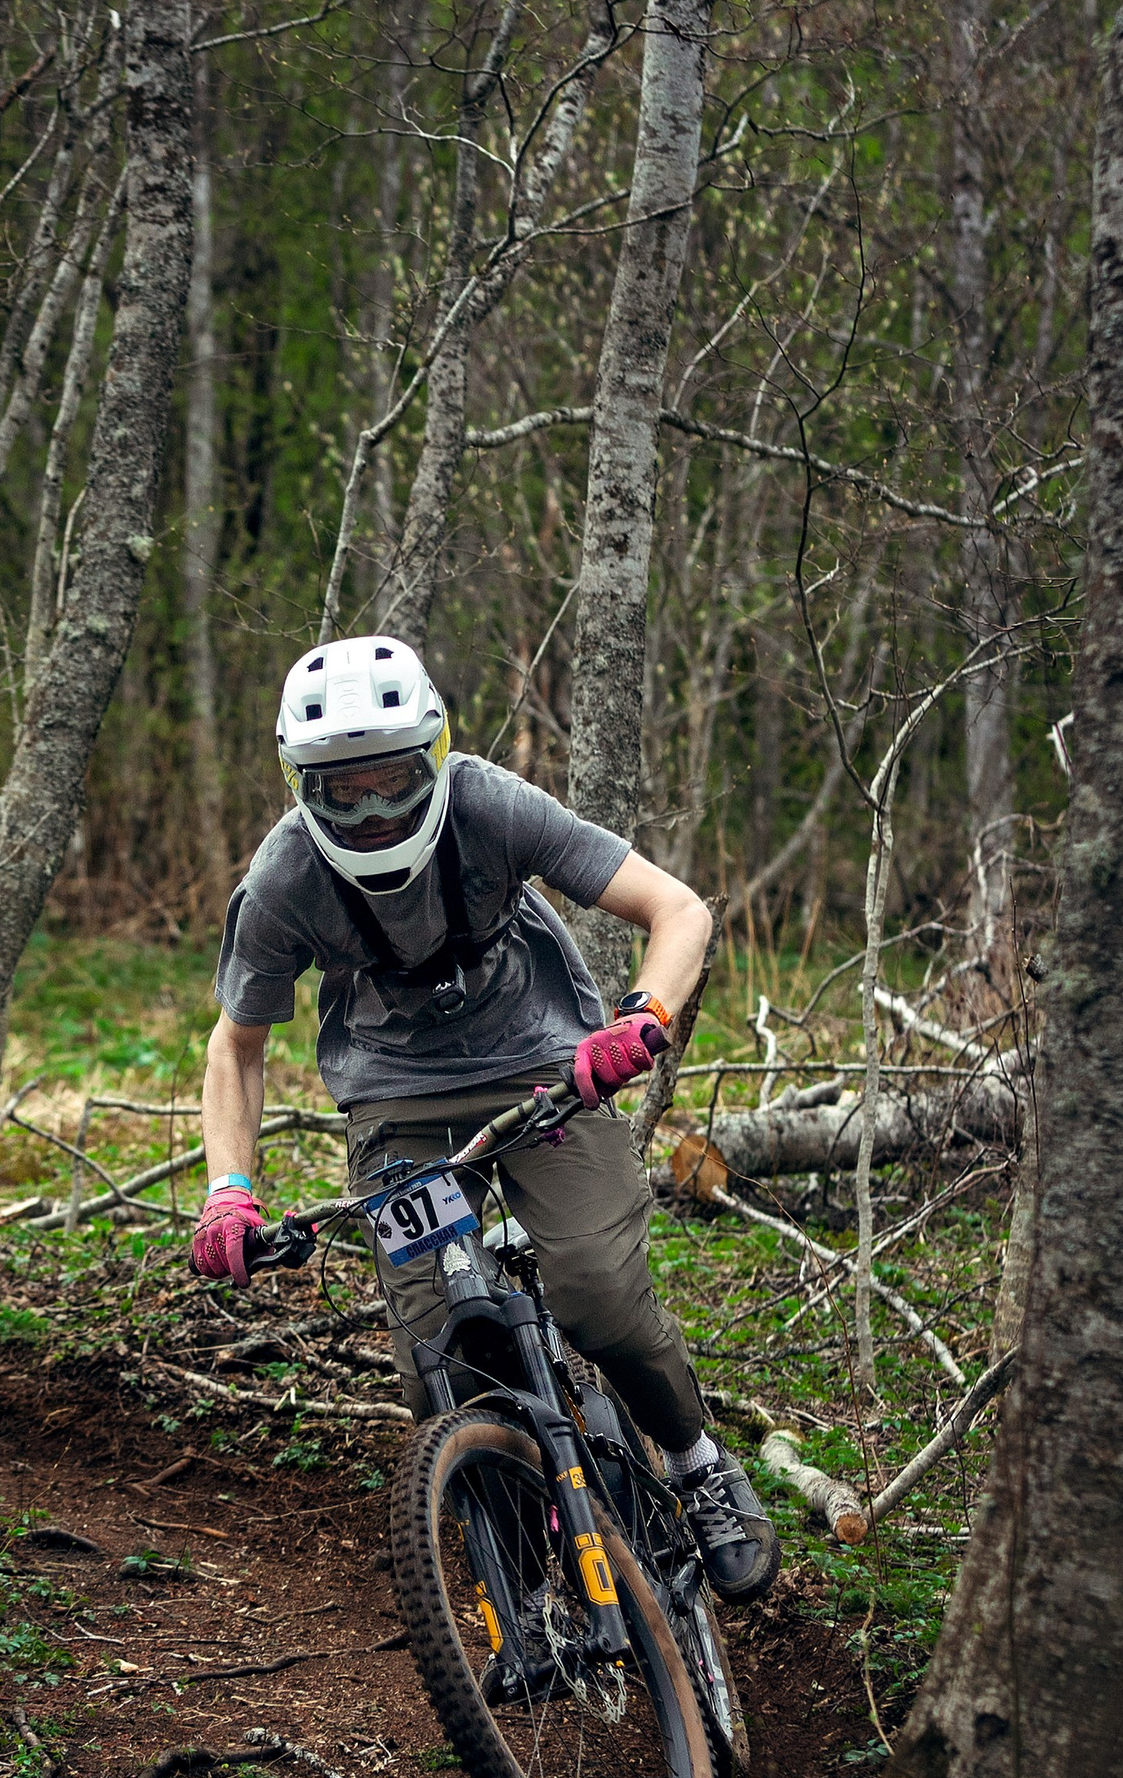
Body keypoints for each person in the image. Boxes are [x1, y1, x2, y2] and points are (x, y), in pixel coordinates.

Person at [190, 633, 779, 1604]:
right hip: (396, 1104)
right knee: (435, 1362)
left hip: (547, 1077)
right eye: (344, 790)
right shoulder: (284, 878)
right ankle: (518, 1559)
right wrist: (227, 1193)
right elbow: (234, 1047)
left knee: (597, 1293)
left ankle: (694, 1462)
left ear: (435, 754)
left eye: (392, 780)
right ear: (303, 787)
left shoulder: (491, 806)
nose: (374, 813)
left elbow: (678, 910)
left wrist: (644, 1019)